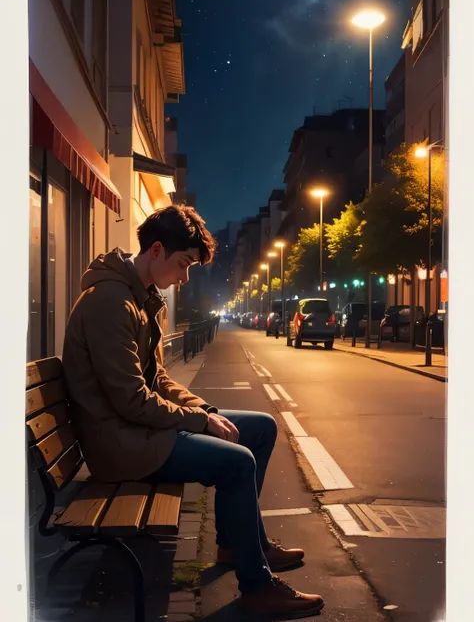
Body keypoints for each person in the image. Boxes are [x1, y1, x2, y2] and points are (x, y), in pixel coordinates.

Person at [62, 205, 324, 618]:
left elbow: (159, 380)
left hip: (138, 430)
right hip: (120, 444)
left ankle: (236, 545)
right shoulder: (110, 302)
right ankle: (257, 588)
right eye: (183, 265)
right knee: (237, 461)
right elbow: (130, 399)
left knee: (260, 428)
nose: (184, 278)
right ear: (156, 250)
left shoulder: (142, 298)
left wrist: (205, 409)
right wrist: (201, 421)